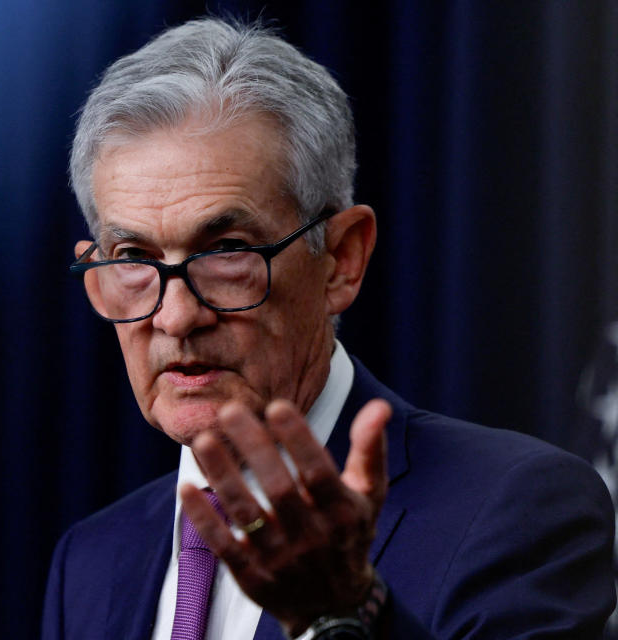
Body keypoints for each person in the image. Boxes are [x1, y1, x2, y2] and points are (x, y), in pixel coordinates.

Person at [43, 17, 615, 639]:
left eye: (228, 250)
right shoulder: (91, 561)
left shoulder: (516, 508)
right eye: (133, 260)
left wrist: (344, 611)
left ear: (342, 260)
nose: (176, 317)